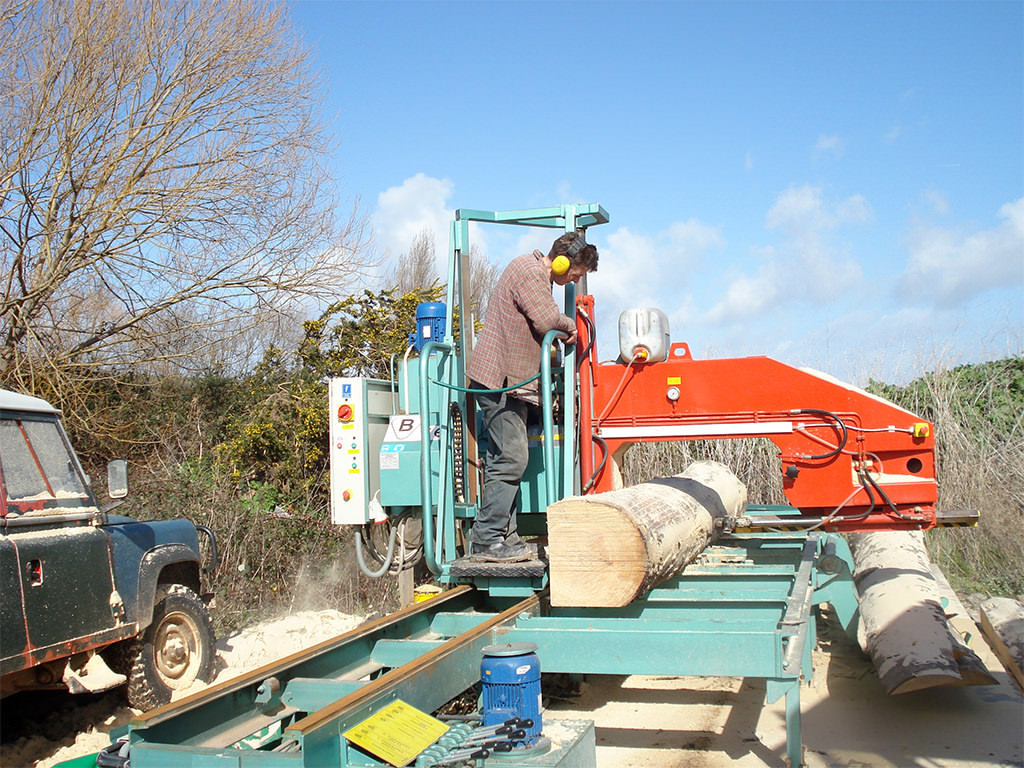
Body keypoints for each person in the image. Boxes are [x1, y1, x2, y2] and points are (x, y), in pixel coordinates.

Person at [465, 231, 599, 562]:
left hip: (513, 383)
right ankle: (486, 539)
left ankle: (504, 538)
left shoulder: (537, 276)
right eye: (575, 275)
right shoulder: (529, 272)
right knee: (513, 458)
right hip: (499, 381)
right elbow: (546, 319)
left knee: (502, 460)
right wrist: (571, 326)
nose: (572, 281)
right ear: (565, 262)